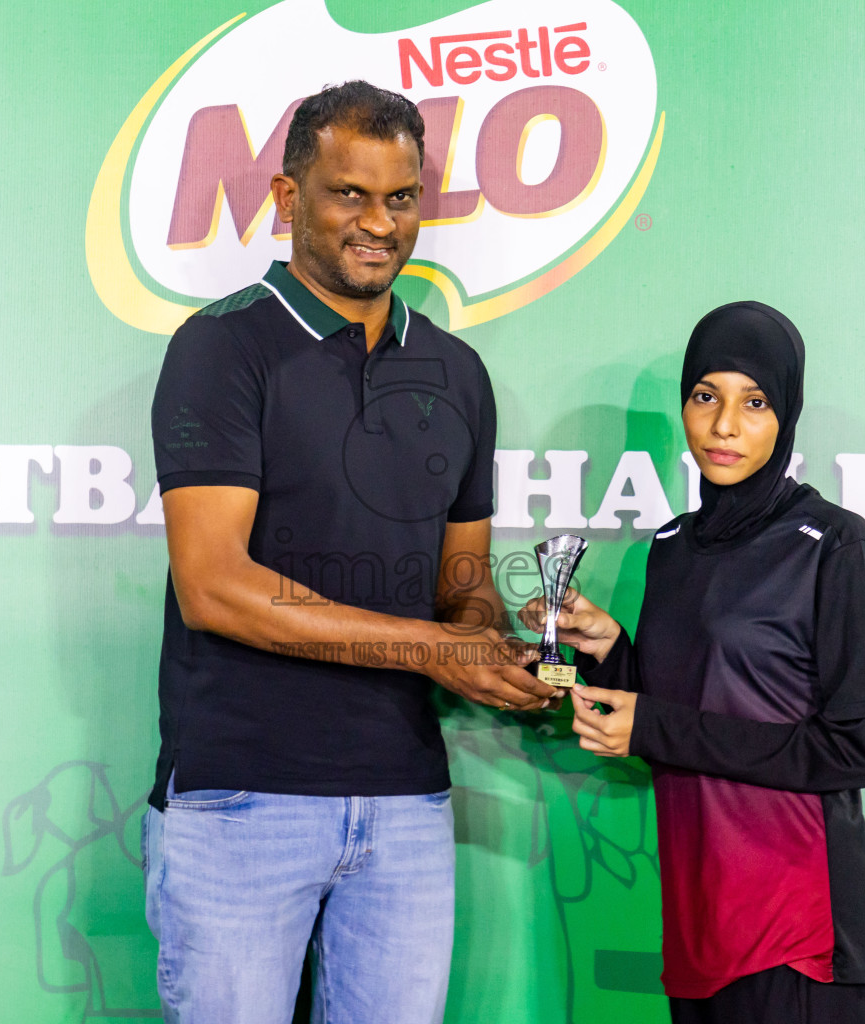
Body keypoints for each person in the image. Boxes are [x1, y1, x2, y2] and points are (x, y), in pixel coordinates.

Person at [145, 80, 557, 1024]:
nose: (379, 222)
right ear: (290, 200)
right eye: (349, 194)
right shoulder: (222, 349)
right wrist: (431, 650)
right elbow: (215, 587)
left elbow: (463, 587)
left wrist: (496, 651)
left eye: (401, 197)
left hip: (406, 803)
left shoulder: (456, 372)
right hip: (241, 800)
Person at [522, 301, 865, 1023]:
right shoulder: (668, 548)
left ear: (785, 415)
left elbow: (858, 749)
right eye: (706, 396)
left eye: (754, 402)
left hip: (799, 930)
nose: (725, 425)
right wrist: (607, 650)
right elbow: (678, 715)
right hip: (699, 925)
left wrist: (654, 727)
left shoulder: (833, 544)